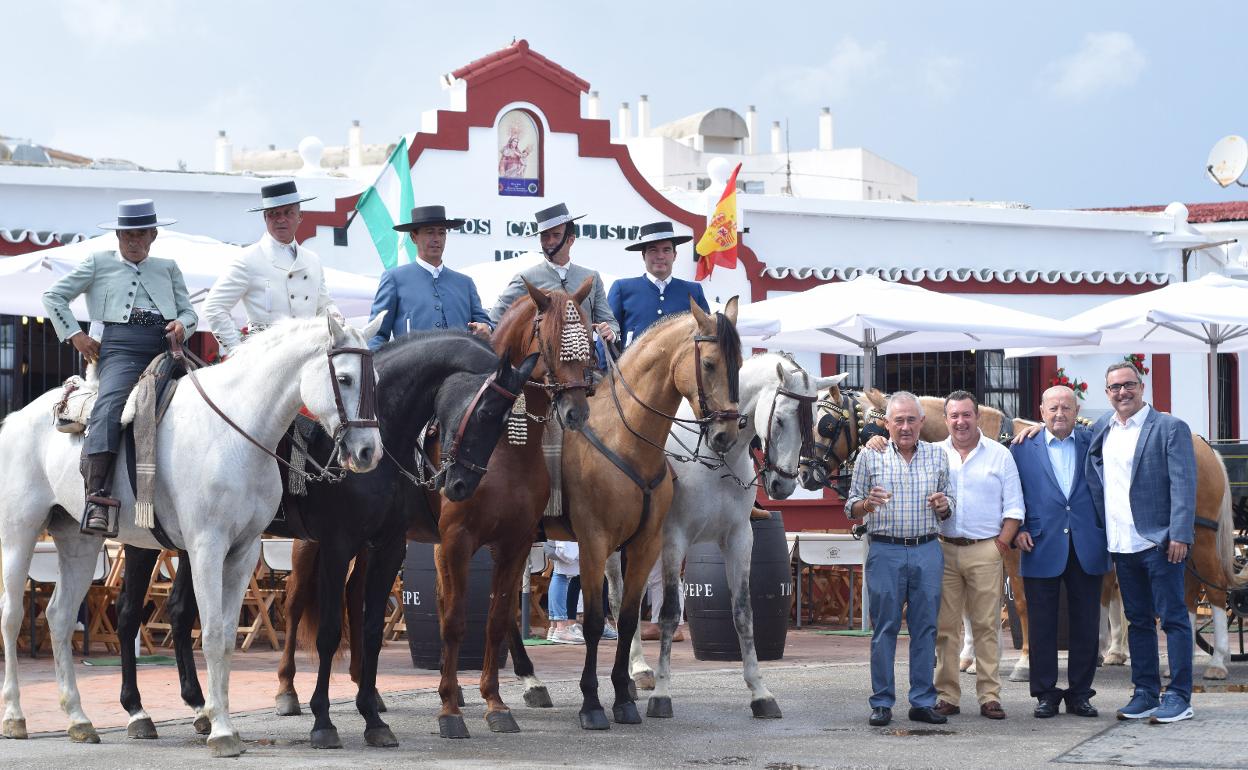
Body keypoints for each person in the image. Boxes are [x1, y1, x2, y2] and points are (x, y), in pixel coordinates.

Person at [42, 199, 197, 534]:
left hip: (165, 347)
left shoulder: (168, 267)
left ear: (153, 235)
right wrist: (76, 336)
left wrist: (184, 326)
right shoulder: (98, 262)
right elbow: (53, 297)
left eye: (141, 233)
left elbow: (189, 312)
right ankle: (97, 497)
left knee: (207, 400)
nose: (134, 240)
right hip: (121, 349)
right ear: (117, 235)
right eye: (127, 233)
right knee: (110, 406)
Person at [1086, 362, 1197, 724]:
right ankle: (1146, 692)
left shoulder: (1169, 427)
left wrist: (1179, 532)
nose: (1122, 392)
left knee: (1174, 619)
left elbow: (1183, 483)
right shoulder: (1102, 427)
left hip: (1160, 542)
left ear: (1142, 386)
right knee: (1137, 621)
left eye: (1128, 385)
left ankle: (1179, 695)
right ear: (1107, 393)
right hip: (1121, 543)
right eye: (1115, 387)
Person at [845, 391, 954, 727]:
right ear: (887, 423)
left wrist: (943, 505)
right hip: (885, 550)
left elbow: (949, 505)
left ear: (921, 422)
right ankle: (881, 702)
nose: (905, 426)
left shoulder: (937, 457)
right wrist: (867, 505)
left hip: (926, 549)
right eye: (898, 420)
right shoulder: (869, 456)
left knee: (926, 628)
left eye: (911, 420)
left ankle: (921, 701)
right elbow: (850, 506)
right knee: (885, 628)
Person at [1012, 385, 1111, 719]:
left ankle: (1081, 693)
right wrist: (1020, 529)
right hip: (1039, 542)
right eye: (1052, 408)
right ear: (1041, 411)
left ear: (1077, 409)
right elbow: (1013, 495)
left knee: (1086, 623)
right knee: (1041, 625)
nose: (1059, 414)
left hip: (1087, 543)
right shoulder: (1021, 448)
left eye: (1066, 408)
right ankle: (1045, 693)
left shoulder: (1094, 441)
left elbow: (1121, 417)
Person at [928, 391, 1023, 720]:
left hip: (986, 548)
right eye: (954, 415)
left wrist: (999, 546)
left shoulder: (1000, 455)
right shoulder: (933, 454)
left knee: (985, 627)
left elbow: (1014, 509)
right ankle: (947, 695)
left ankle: (989, 695)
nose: (960, 421)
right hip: (943, 548)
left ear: (977, 417)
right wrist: (874, 442)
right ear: (945, 419)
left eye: (966, 415)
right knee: (945, 627)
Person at [203, 180, 340, 357]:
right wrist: (239, 351)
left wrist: (337, 320)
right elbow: (213, 307)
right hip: (266, 358)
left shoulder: (312, 260)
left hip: (307, 356)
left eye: (288, 213)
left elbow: (323, 304)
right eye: (273, 214)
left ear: (300, 216)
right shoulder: (248, 259)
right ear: (265, 217)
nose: (281, 219)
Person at [488, 202, 618, 345]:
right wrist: (485, 328)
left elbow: (609, 321)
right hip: (539, 363)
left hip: (584, 362)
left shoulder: (592, 277)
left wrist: (609, 331)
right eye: (544, 236)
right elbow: (494, 319)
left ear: (571, 239)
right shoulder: (525, 278)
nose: (549, 241)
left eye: (556, 235)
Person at [367, 205, 492, 350]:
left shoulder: (465, 283)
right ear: (414, 237)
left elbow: (485, 325)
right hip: (412, 369)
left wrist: (485, 328)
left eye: (441, 233)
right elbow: (376, 335)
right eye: (430, 232)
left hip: (463, 369)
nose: (436, 239)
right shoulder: (394, 279)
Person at [607, 221, 708, 348]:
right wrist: (608, 367)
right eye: (653, 250)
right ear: (643, 255)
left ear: (675, 255)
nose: (660, 256)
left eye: (666, 250)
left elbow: (708, 335)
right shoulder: (622, 288)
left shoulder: (694, 291)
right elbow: (606, 334)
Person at [547, 540, 584, 644]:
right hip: (564, 534)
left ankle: (554, 627)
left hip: (559, 534)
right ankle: (561, 629)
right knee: (561, 575)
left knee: (558, 574)